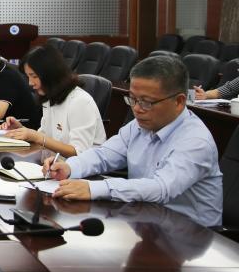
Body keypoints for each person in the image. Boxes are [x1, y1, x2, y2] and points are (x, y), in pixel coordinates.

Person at [44, 55, 222, 227]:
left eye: (146, 102)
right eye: (133, 99)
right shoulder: (139, 126)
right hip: (148, 220)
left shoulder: (196, 141)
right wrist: (69, 167)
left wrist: (93, 189)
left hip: (192, 234)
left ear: (179, 101)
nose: (136, 109)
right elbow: (104, 155)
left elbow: (161, 188)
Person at [0, 44, 106, 156]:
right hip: (55, 163)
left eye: (34, 76)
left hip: (82, 166)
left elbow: (78, 152)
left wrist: (37, 137)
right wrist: (21, 130)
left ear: (50, 74)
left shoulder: (80, 101)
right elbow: (45, 137)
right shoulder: (50, 97)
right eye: (28, 76)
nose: (30, 83)